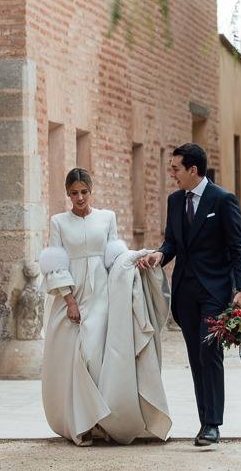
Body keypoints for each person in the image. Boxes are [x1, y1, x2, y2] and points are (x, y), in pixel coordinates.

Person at [39, 168, 170, 446]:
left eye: (84, 192)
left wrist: (139, 258)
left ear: (90, 190)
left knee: (96, 357)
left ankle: (104, 422)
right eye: (74, 193)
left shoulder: (106, 217)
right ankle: (80, 422)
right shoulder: (58, 222)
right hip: (72, 294)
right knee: (75, 357)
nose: (79, 197)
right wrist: (70, 300)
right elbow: (55, 263)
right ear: (67, 194)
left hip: (102, 294)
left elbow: (116, 258)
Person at [139, 143, 241, 446]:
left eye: (176, 168)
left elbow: (237, 248)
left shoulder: (224, 200)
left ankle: (212, 424)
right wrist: (158, 256)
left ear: (193, 170)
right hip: (185, 292)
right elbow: (172, 242)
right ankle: (205, 420)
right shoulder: (175, 201)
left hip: (215, 291)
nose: (171, 174)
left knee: (209, 352)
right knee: (195, 355)